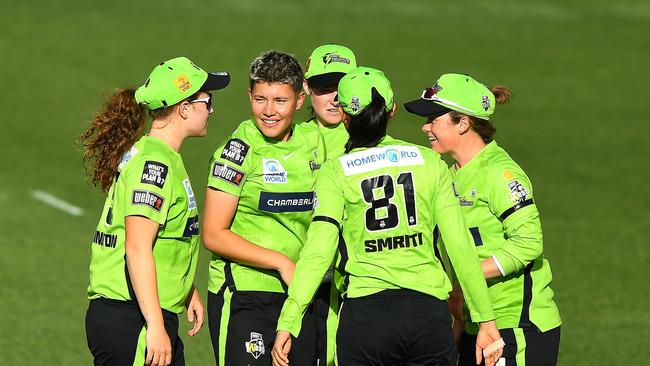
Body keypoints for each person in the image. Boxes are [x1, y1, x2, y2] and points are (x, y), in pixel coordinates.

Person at [272, 67, 504, 366]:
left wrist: (290, 318)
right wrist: (486, 321)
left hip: (366, 320)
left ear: (343, 114)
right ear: (392, 111)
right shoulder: (430, 162)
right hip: (428, 317)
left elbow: (319, 251)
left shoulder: (336, 172)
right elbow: (459, 246)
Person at [404, 73, 562, 365]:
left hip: (518, 325)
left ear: (463, 123)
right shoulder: (448, 175)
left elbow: (528, 244)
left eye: (433, 119)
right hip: (478, 322)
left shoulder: (500, 175)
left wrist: (468, 277)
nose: (425, 127)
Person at [81, 56, 229, 366]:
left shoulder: (159, 156)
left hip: (141, 312)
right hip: (134, 317)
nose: (212, 110)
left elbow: (166, 237)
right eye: (207, 100)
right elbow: (137, 247)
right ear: (184, 108)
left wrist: (186, 290)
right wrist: (156, 327)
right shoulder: (155, 165)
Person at [202, 50, 323, 366]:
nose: (269, 111)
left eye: (280, 101)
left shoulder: (314, 142)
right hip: (246, 294)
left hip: (299, 296)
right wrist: (280, 263)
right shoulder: (238, 151)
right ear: (249, 96)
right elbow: (214, 234)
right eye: (260, 99)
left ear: (299, 100)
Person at [302, 43, 357, 366]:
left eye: (344, 86)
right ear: (307, 88)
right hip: (298, 282)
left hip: (351, 286)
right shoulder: (291, 139)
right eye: (325, 87)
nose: (335, 97)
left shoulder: (366, 143)